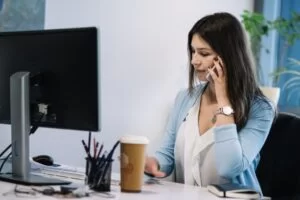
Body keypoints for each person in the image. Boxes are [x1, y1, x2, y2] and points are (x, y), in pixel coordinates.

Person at [144, 12, 275, 194]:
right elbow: (166, 155)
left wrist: (223, 97)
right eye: (193, 51)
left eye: (204, 53)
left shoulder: (261, 109)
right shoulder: (185, 98)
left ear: (229, 57)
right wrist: (154, 163)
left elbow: (229, 167)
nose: (194, 61)